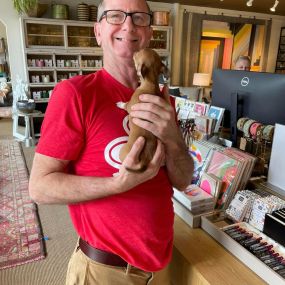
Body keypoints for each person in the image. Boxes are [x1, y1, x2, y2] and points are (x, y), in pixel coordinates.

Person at [29, 0, 194, 284]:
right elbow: (40, 187)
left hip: (162, 269)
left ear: (149, 32)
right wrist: (117, 184)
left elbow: (182, 180)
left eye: (138, 18)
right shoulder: (75, 94)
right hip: (105, 273)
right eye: (115, 16)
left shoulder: (164, 100)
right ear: (98, 31)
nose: (128, 25)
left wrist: (173, 138)